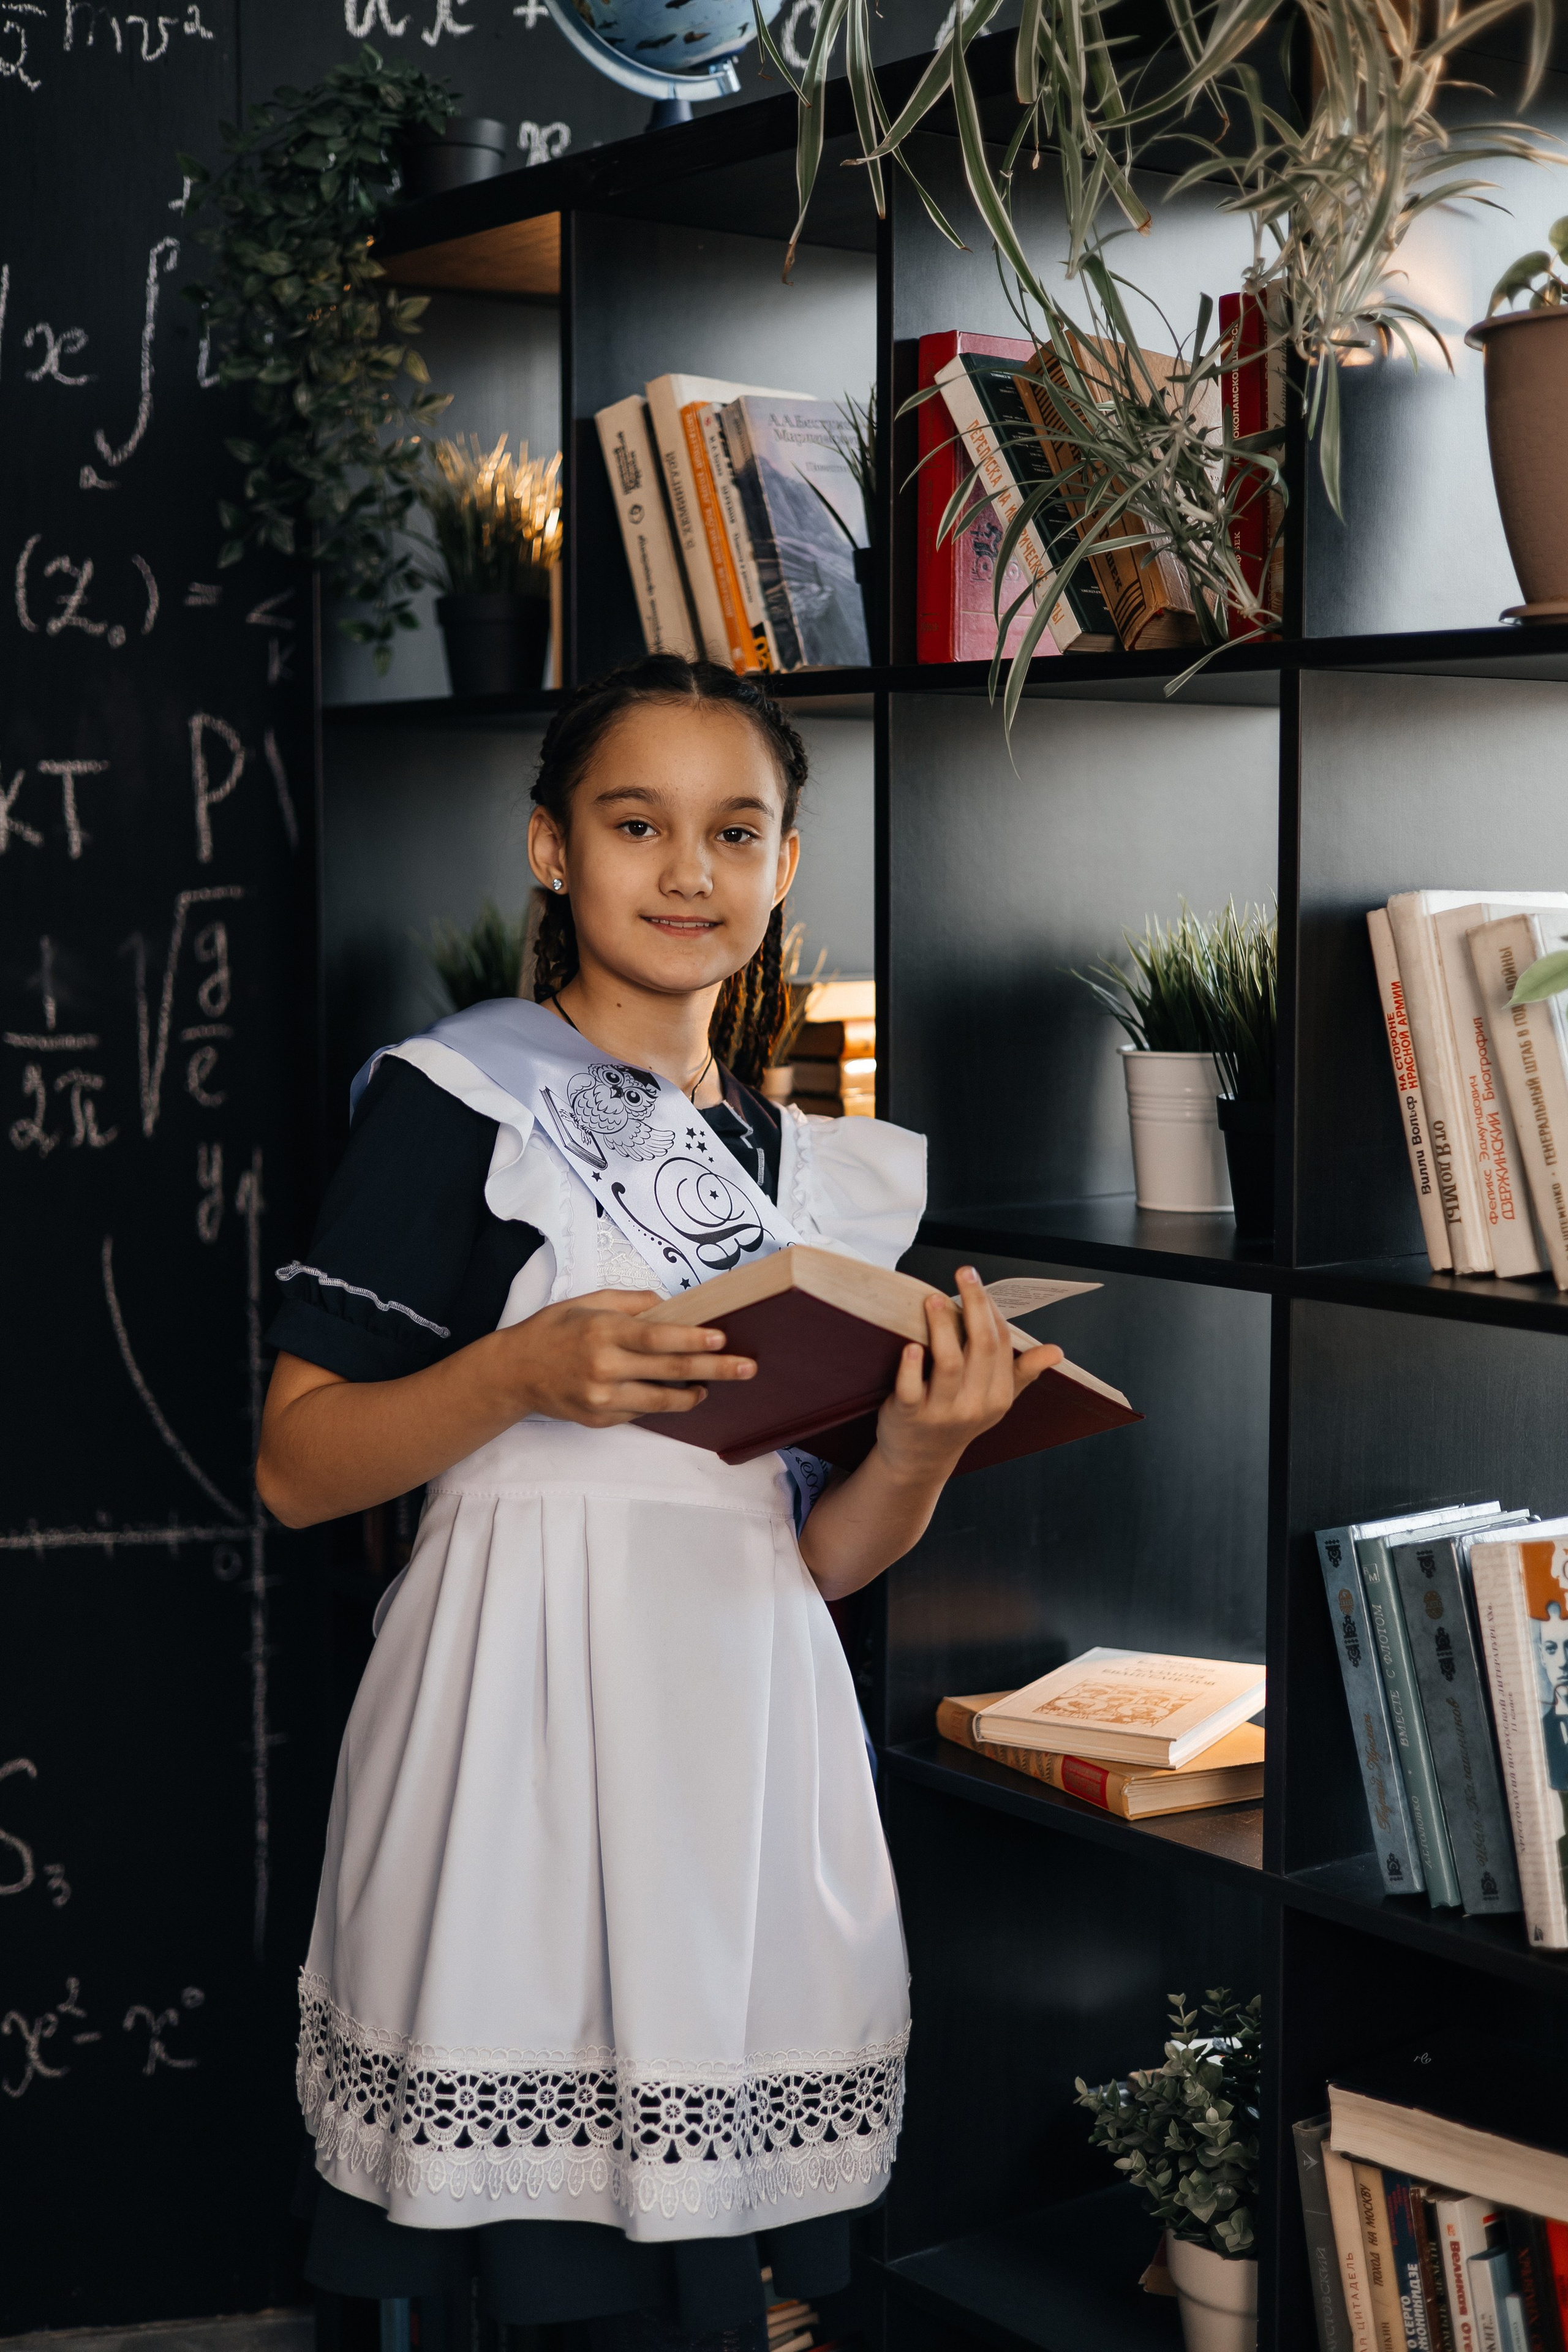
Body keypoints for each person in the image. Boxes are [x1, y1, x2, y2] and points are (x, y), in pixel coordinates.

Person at [257, 655, 1060, 2352]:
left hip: (743, 1750)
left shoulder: (802, 1176)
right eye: (639, 824)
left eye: (736, 831)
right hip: (518, 1736)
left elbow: (817, 1549)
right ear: (554, 849)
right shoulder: (459, 1104)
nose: (689, 871)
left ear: (783, 871)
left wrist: (921, 1448)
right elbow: (296, 1461)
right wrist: (517, 1375)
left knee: (709, 2265)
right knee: (535, 2253)